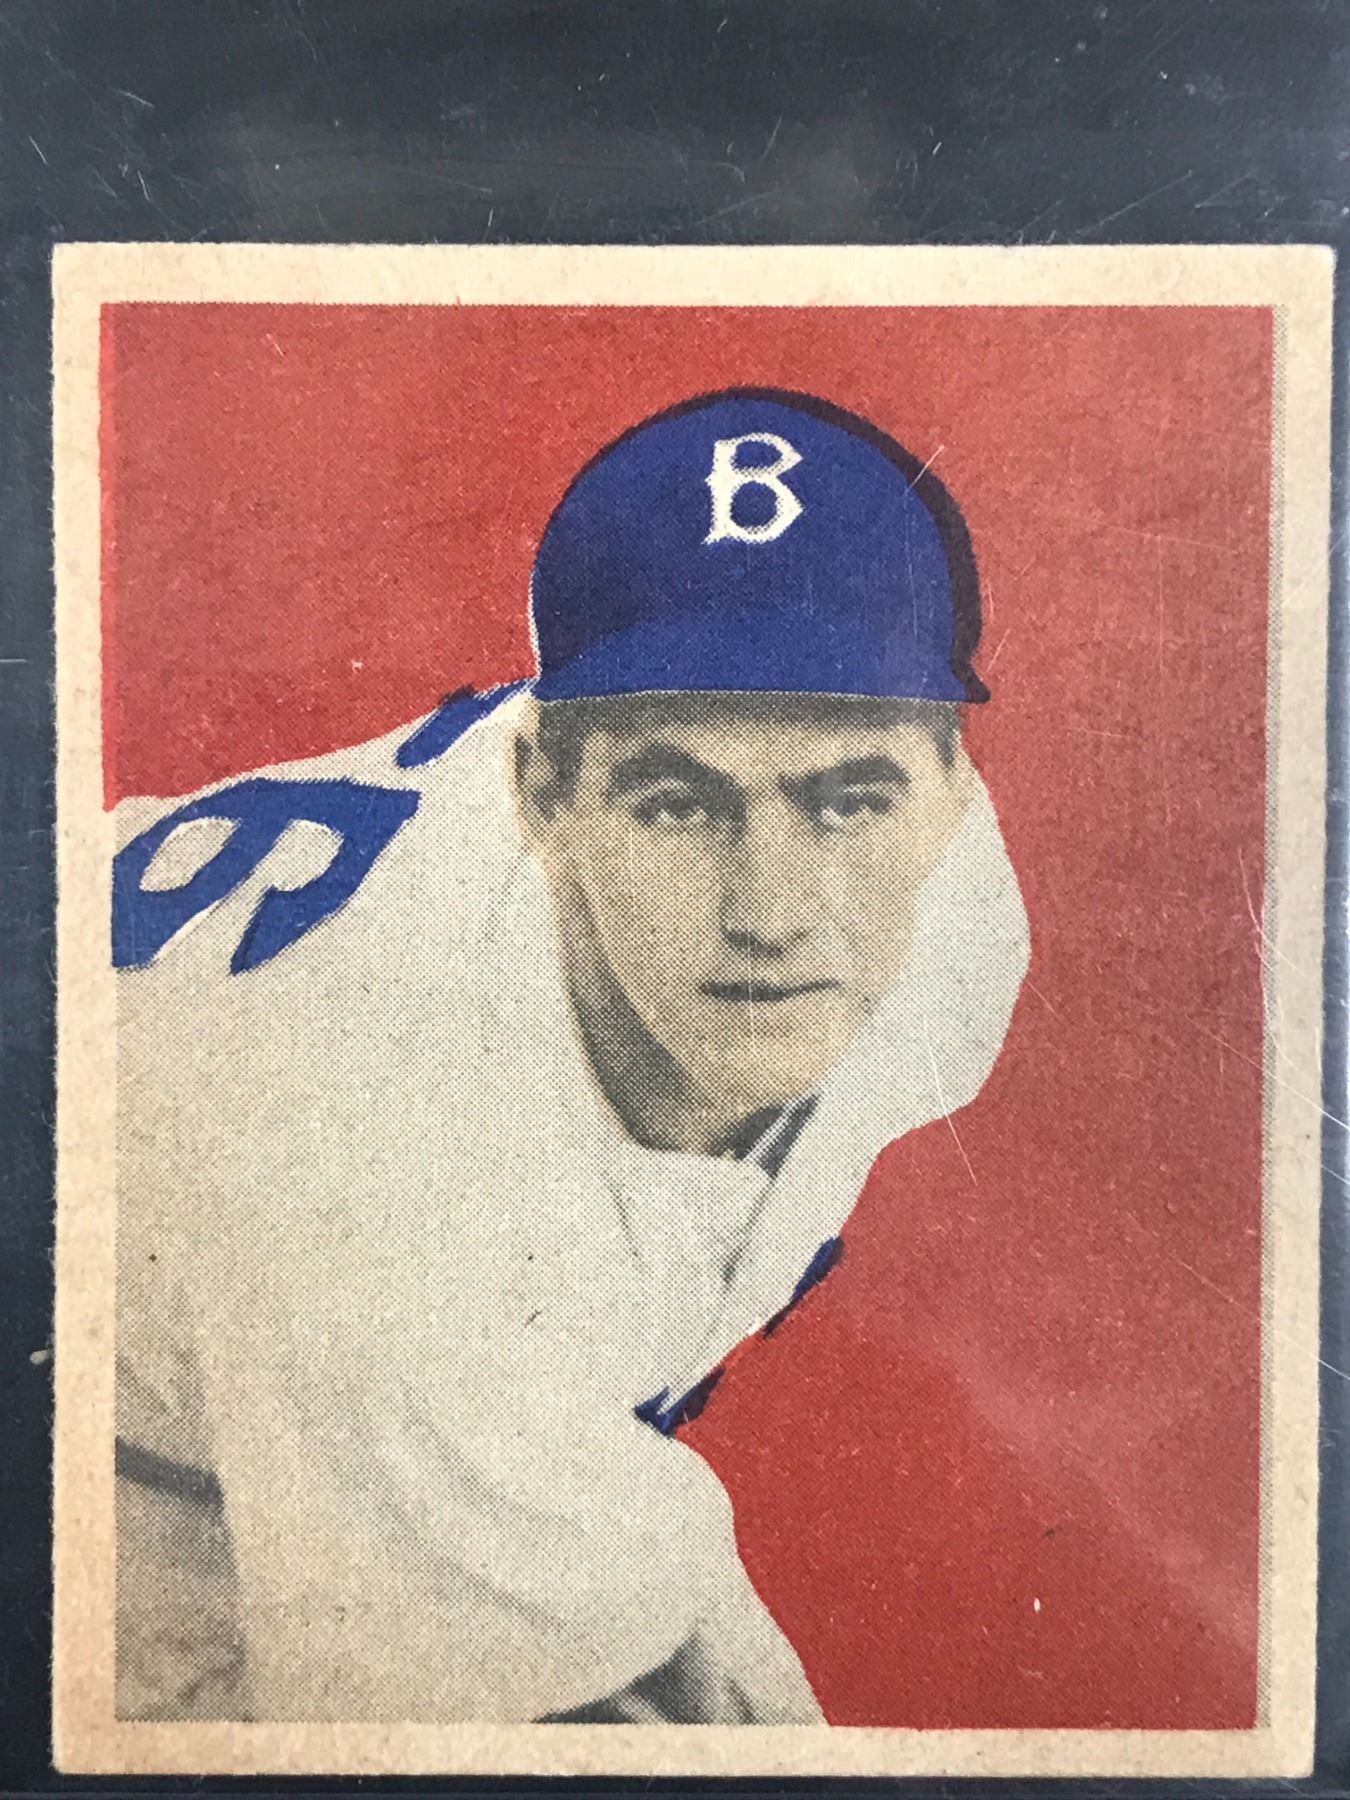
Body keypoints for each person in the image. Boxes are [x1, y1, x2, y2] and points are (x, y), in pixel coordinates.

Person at [112, 389, 1030, 1723]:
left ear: (951, 787)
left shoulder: (951, 936)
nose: (773, 912)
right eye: (679, 803)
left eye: (845, 799)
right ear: (540, 789)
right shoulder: (393, 1174)